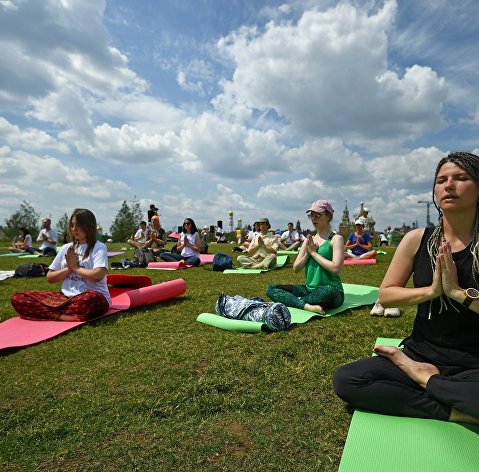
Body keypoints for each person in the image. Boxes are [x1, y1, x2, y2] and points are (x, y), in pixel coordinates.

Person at [333, 151, 479, 425]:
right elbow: (386, 295)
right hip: (422, 353)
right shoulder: (416, 240)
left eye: (461, 178)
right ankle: (451, 409)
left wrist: (458, 293)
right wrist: (432, 291)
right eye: (441, 180)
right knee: (348, 380)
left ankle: (425, 380)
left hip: (473, 363)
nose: (449, 185)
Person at [10, 209, 111, 321]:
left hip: (89, 298)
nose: (74, 229)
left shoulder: (99, 247)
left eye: (78, 225)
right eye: (72, 225)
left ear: (89, 226)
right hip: (65, 299)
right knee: (19, 298)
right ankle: (63, 316)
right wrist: (69, 269)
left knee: (91, 298)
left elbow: (98, 276)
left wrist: (76, 268)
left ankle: (52, 312)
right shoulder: (66, 248)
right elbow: (50, 277)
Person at [266, 200, 344, 314]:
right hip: (309, 290)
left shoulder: (336, 239)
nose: (313, 218)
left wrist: (314, 253)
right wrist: (308, 253)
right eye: (311, 215)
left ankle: (292, 301)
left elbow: (336, 268)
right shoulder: (308, 240)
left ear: (328, 216)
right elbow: (296, 268)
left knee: (328, 292)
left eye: (317, 215)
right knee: (271, 289)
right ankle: (306, 305)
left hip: (331, 290)